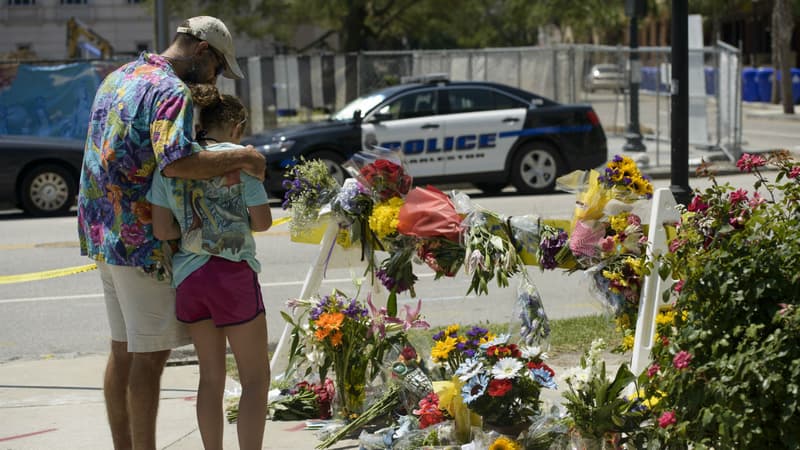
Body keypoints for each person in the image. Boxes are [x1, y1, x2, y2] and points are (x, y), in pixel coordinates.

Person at [76, 16, 265, 450]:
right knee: (149, 358)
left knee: (123, 352)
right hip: (141, 243)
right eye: (218, 68)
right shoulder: (169, 90)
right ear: (202, 53)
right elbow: (177, 162)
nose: (215, 80)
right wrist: (243, 158)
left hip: (104, 235)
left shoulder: (120, 76)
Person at [148, 86, 272, 450]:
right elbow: (262, 222)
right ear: (237, 126)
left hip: (190, 277)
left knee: (210, 378)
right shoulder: (242, 160)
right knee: (254, 379)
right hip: (231, 273)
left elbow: (162, 229)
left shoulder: (173, 164)